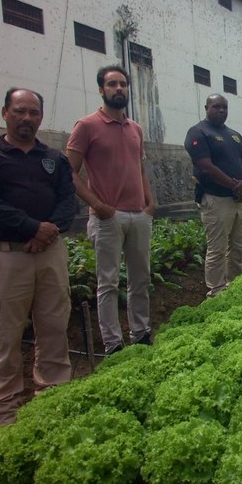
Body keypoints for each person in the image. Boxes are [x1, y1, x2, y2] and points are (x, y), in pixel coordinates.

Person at [0, 88, 76, 426]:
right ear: (4, 113)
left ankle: (53, 400)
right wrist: (32, 228)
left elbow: (68, 202)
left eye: (33, 113)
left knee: (55, 328)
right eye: (19, 111)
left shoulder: (54, 159)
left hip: (50, 253)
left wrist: (49, 230)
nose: (27, 118)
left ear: (41, 117)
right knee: (6, 336)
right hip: (8, 256)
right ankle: (6, 413)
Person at [66, 65, 156, 355]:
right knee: (108, 283)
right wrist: (98, 205)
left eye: (123, 84)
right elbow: (69, 173)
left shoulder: (136, 129)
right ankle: (113, 343)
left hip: (138, 215)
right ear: (101, 90)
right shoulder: (87, 126)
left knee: (141, 278)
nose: (119, 89)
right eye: (112, 84)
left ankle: (141, 333)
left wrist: (149, 202)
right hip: (108, 217)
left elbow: (139, 167)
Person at [184, 94, 242, 297]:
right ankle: (216, 291)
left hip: (238, 200)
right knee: (217, 248)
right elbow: (205, 166)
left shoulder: (234, 135)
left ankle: (236, 286)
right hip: (216, 199)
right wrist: (234, 185)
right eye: (216, 107)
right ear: (206, 107)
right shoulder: (198, 132)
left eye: (224, 107)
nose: (221, 110)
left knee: (238, 246)